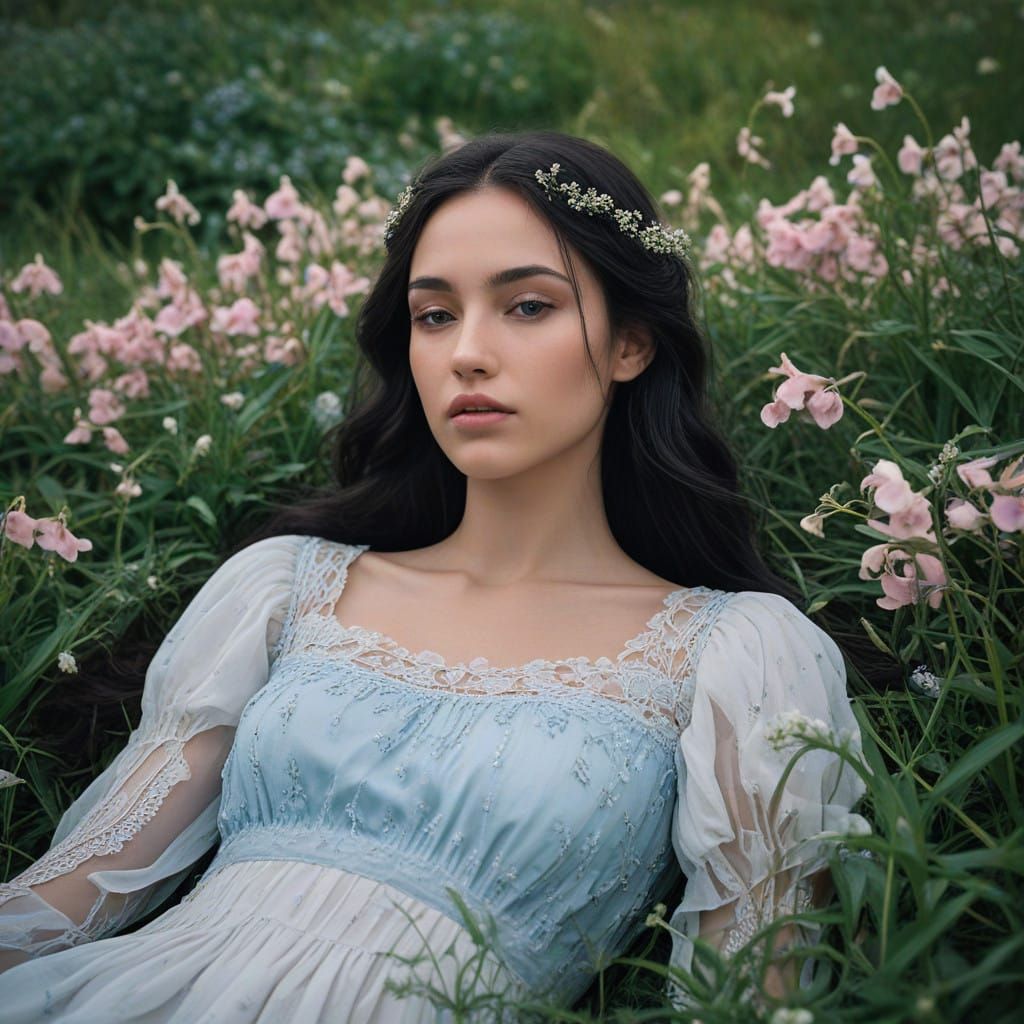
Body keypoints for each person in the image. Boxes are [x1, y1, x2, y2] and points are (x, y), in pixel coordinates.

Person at [0, 129, 871, 1021]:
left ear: (630, 344)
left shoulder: (735, 654)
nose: (467, 353)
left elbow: (744, 1001)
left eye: (528, 306)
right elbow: (65, 900)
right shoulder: (286, 591)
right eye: (434, 314)